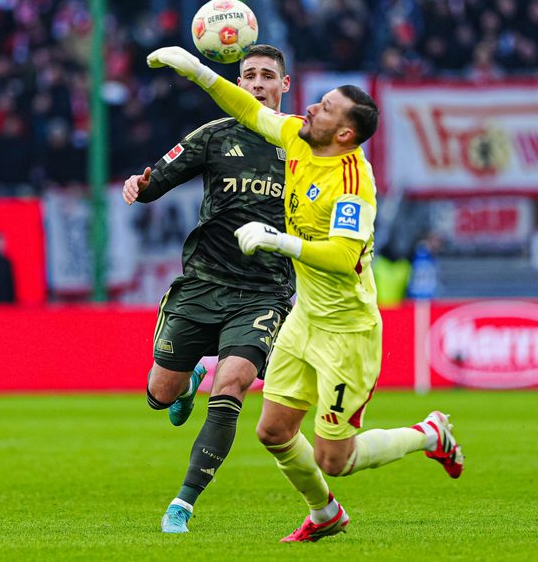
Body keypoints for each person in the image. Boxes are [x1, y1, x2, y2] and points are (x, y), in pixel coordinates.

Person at [147, 46, 464, 542]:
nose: (312, 107)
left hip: (346, 331)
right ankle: (325, 514)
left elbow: (342, 255)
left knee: (334, 458)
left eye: (326, 107)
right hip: (304, 319)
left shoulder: (352, 183)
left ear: (344, 134)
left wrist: (280, 242)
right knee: (273, 431)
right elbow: (249, 110)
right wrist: (200, 73)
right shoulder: (297, 135)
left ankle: (429, 434)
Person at [123, 45, 295, 534]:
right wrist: (139, 184)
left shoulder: (303, 142)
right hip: (203, 283)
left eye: (267, 76)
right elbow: (157, 180)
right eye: (249, 75)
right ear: (238, 84)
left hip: (264, 291)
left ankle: (183, 503)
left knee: (234, 384)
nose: (257, 83)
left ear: (284, 85)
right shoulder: (215, 135)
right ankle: (189, 378)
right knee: (160, 395)